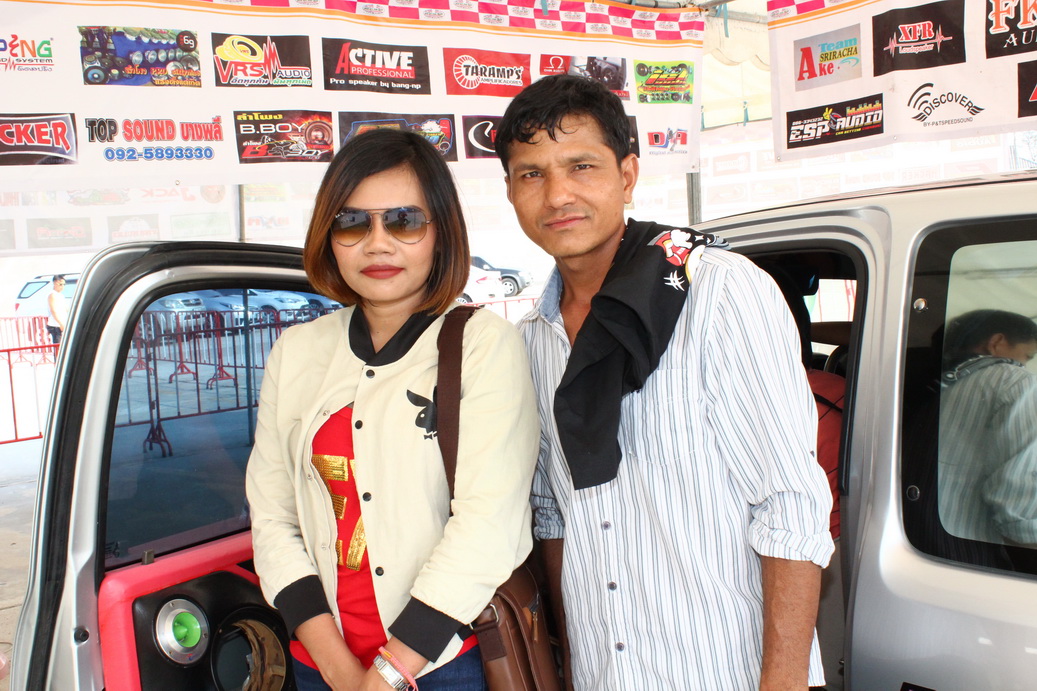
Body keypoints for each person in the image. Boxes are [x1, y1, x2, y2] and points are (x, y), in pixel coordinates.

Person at [494, 74, 834, 690]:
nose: (558, 194)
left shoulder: (719, 293)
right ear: (512, 193)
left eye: (581, 166)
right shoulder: (530, 340)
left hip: (725, 672)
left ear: (627, 175)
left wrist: (783, 680)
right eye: (532, 174)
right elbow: (555, 519)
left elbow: (790, 503)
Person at [245, 128, 539, 691]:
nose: (377, 244)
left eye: (404, 221)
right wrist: (339, 670)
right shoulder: (296, 352)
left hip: (443, 666)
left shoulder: (482, 345)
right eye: (352, 223)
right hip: (320, 667)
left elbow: (489, 524)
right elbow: (273, 516)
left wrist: (387, 675)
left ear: (441, 232)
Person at [938, 309, 1037, 547]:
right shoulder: (1017, 380)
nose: (1025, 364)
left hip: (918, 534)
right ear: (996, 342)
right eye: (1028, 355)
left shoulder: (937, 382)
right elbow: (1015, 503)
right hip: (969, 546)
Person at [46, 274, 68, 344]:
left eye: (64, 284)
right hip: (55, 325)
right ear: (55, 283)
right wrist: (60, 323)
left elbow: (65, 309)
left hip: (62, 324)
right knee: (58, 345)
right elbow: (53, 310)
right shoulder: (52, 295)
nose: (62, 287)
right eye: (60, 284)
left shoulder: (61, 295)